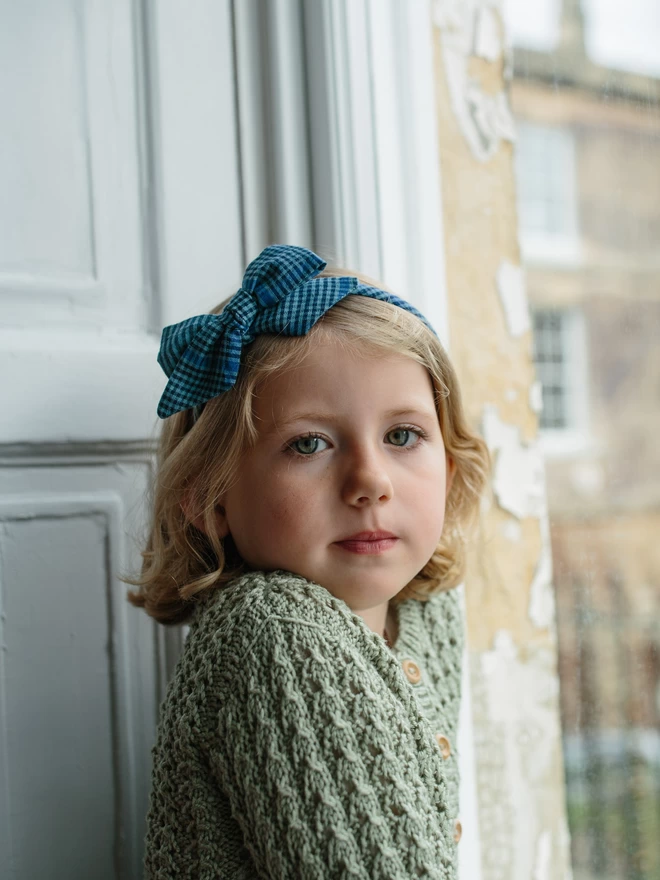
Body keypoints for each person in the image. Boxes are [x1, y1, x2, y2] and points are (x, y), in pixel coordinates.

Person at [125, 244, 490, 879]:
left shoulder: (423, 609)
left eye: (402, 435)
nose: (370, 480)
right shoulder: (275, 635)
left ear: (449, 466)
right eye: (310, 443)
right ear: (210, 498)